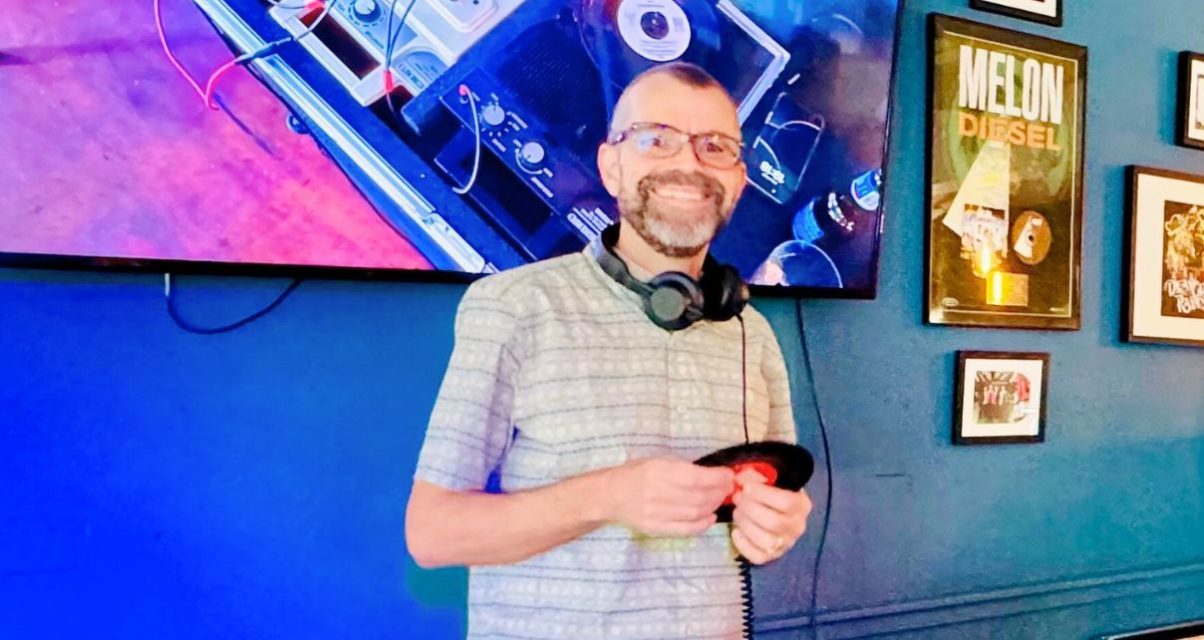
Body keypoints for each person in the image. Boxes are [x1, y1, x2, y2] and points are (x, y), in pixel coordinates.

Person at [405, 61, 812, 640]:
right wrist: (606, 496)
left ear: (740, 181)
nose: (687, 163)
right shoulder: (514, 306)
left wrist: (773, 527)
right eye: (656, 139)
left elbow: (764, 507)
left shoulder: (752, 333)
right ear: (611, 165)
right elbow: (432, 534)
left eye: (714, 146)